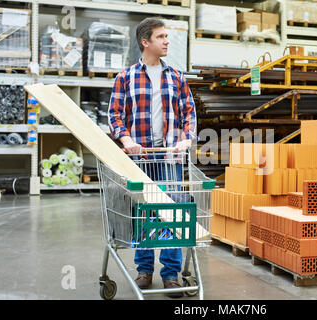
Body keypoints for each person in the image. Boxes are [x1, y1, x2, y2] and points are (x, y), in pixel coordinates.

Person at [108, 17, 197, 298]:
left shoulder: (177, 77)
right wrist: (126, 140)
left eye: (166, 36)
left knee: (170, 216)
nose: (167, 41)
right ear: (145, 42)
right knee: (143, 213)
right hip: (139, 158)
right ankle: (144, 270)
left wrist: (186, 138)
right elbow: (115, 115)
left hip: (168, 158)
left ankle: (170, 274)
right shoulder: (125, 77)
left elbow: (190, 114)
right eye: (161, 37)